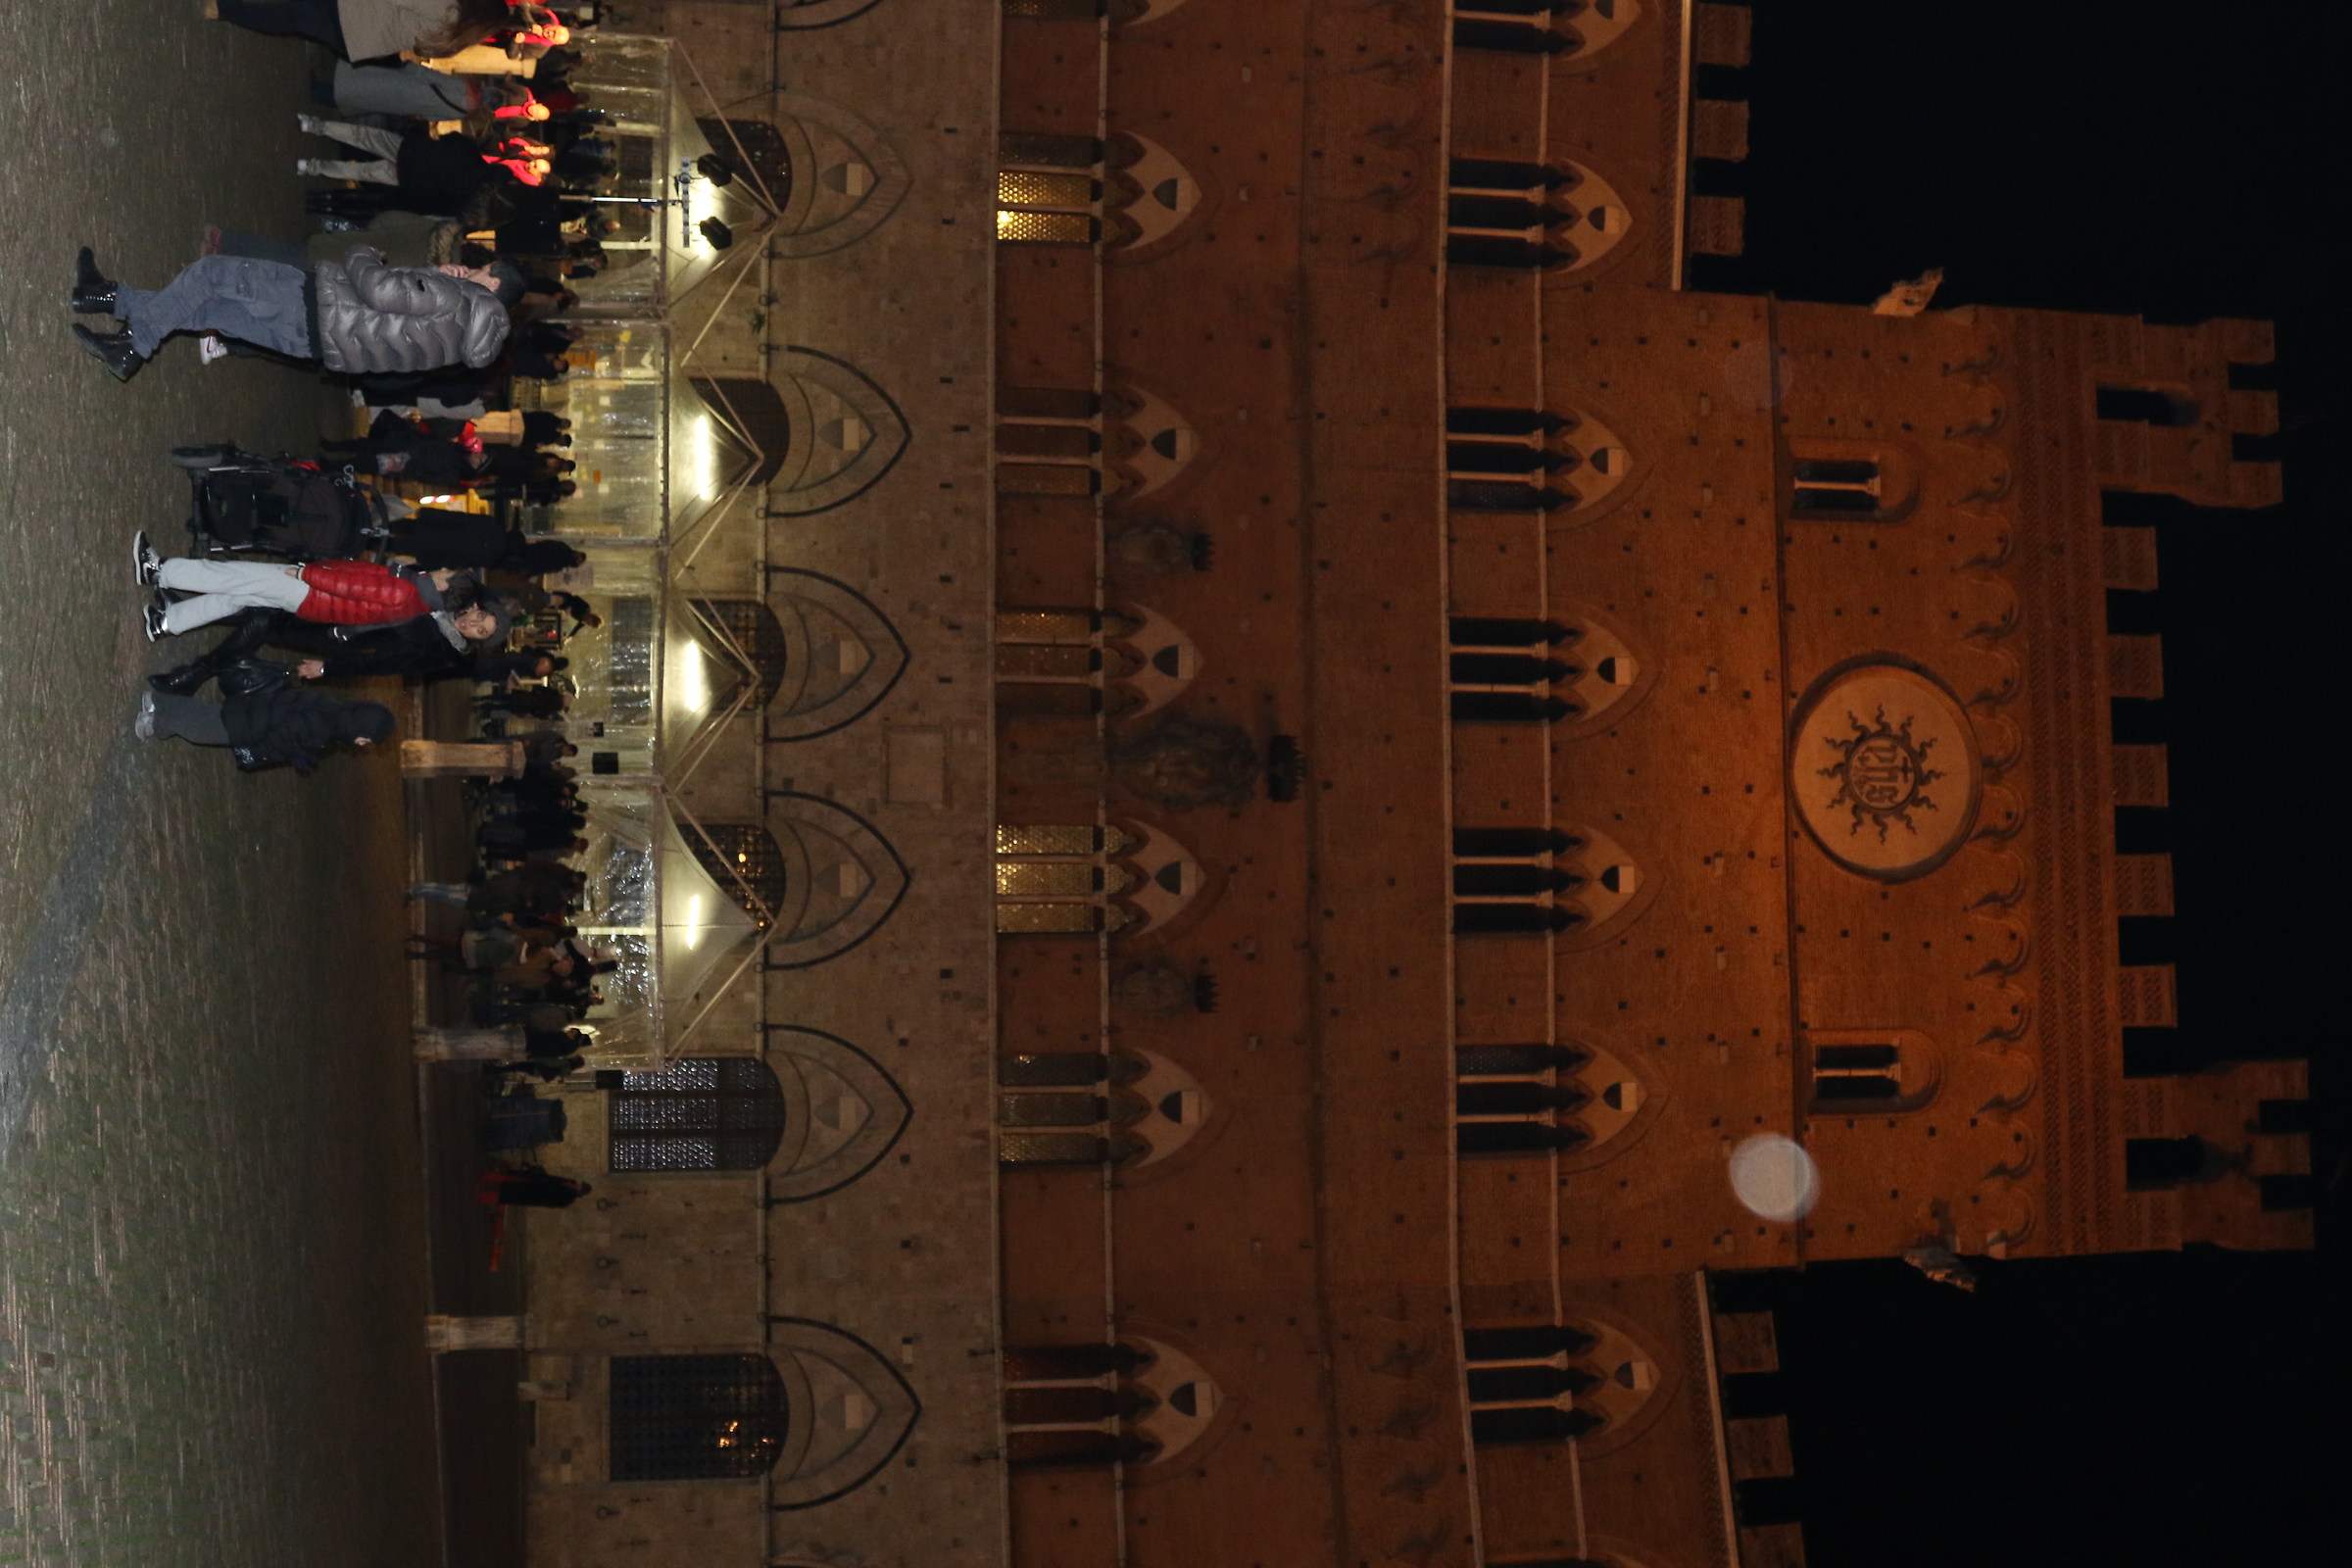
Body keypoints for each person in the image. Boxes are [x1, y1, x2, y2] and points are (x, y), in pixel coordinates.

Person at [71, 244, 522, 382]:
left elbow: (378, 289)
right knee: (207, 307)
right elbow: (393, 323)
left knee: (210, 273)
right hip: (312, 343)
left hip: (314, 303)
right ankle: (107, 298)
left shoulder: (458, 302)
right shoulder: (464, 341)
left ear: (493, 284)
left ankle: (132, 346)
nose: (474, 269)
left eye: (482, 270)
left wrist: (365, 253)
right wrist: (431, 275)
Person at [137, 537, 486, 643]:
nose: (443, 569)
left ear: (446, 584)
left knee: (233, 577)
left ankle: (158, 570)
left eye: (448, 572)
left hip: (310, 592)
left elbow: (353, 587)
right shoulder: (417, 600)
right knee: (239, 596)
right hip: (312, 601)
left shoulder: (408, 593)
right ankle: (167, 622)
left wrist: (307, 574)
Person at [133, 684, 395, 772]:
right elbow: (283, 737)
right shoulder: (325, 728)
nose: (363, 744)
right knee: (199, 730)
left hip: (254, 711)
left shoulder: (333, 710)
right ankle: (155, 722)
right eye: (367, 739)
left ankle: (157, 701)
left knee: (204, 713)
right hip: (251, 727)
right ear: (362, 729)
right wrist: (253, 754)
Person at [213, 0, 510, 63]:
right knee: (290, 19)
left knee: (290, 15)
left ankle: (224, 9)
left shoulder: (451, 8)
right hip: (356, 39)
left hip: (352, 12)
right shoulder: (457, 40)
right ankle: (226, 10)